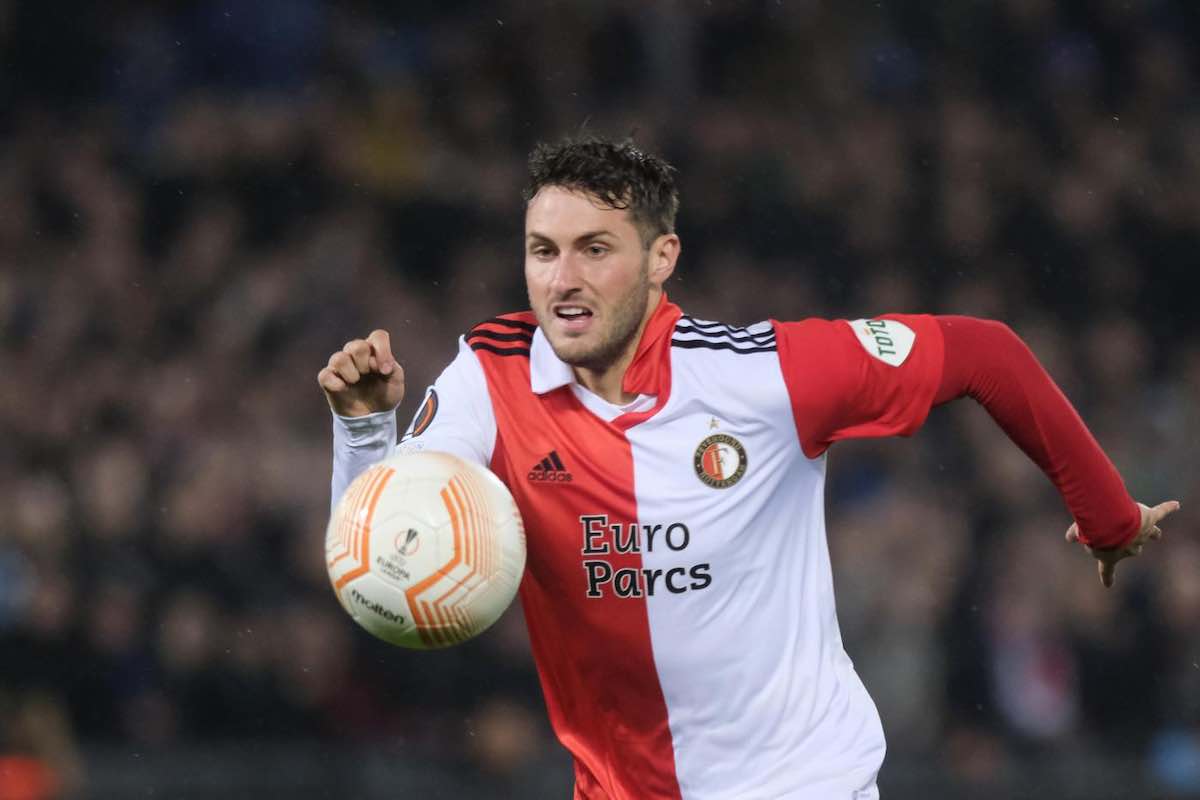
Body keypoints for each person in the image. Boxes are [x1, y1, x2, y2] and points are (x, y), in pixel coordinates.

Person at [318, 136, 1178, 800]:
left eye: (595, 249)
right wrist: (364, 429)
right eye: (543, 251)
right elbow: (386, 557)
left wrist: (1107, 517)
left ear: (661, 259)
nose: (563, 279)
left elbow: (985, 353)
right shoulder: (491, 373)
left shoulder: (766, 376)